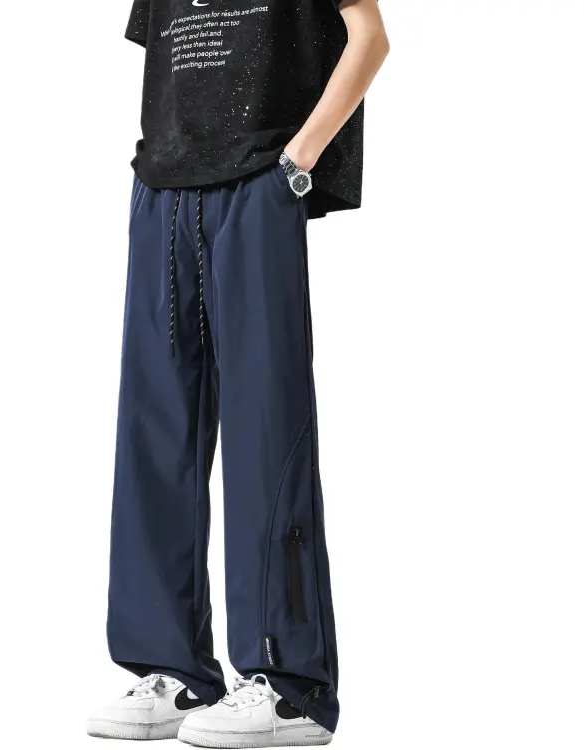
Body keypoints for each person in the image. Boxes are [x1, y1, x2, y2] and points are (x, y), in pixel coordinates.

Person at [87, 0, 389, 746]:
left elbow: (370, 39)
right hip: (162, 187)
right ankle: (173, 669)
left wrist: (298, 160)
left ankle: (290, 686)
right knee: (154, 435)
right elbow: (170, 73)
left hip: (258, 180)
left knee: (265, 428)